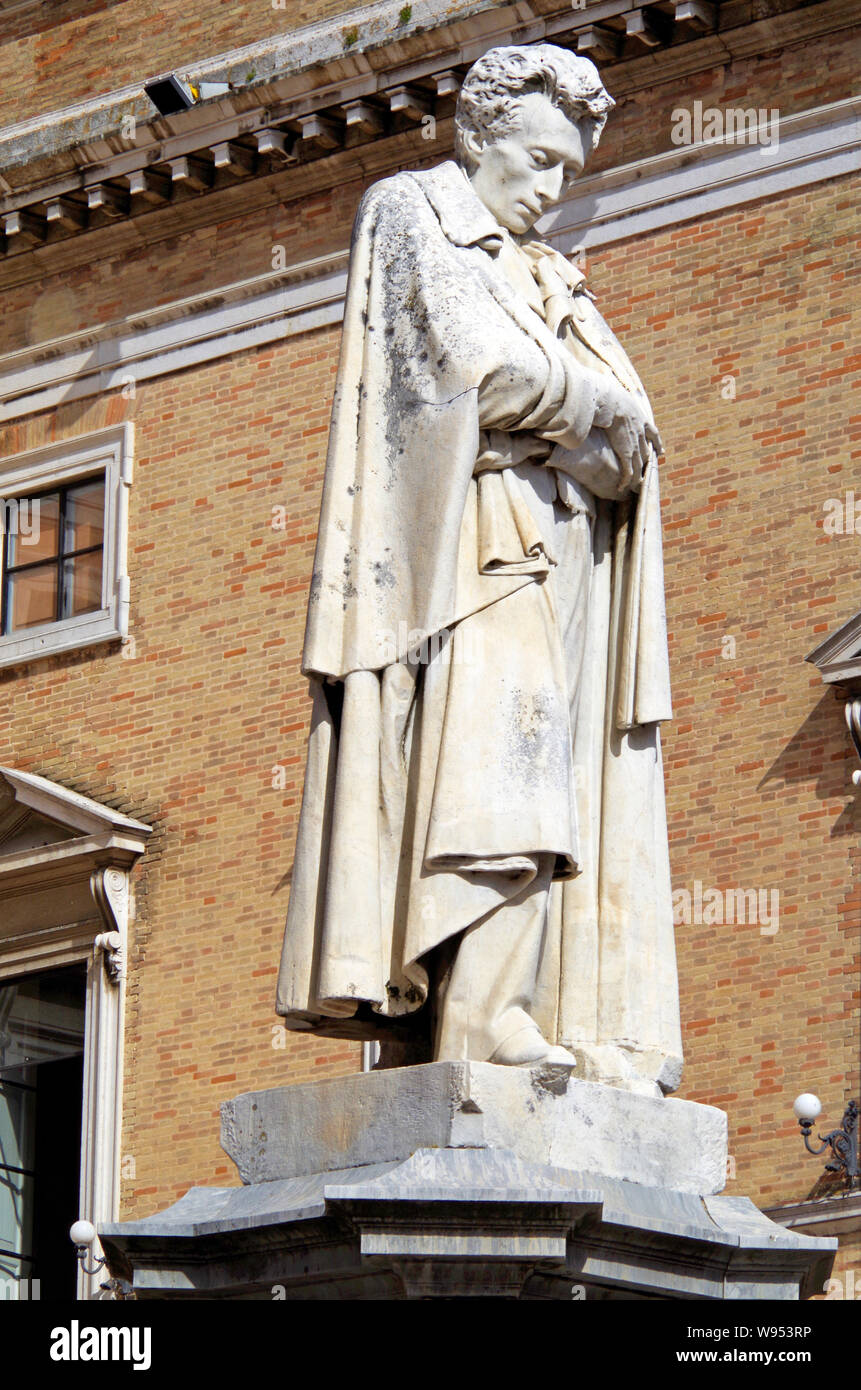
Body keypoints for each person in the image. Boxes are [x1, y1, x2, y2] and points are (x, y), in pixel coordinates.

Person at [276, 43, 684, 1094]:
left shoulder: (551, 273)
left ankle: (515, 1007)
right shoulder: (416, 212)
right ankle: (484, 1012)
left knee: (550, 778)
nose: (551, 190)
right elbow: (472, 367)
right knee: (498, 777)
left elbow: (638, 439)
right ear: (482, 137)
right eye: (540, 159)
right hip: (463, 564)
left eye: (569, 172)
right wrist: (583, 415)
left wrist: (582, 421)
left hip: (553, 558)